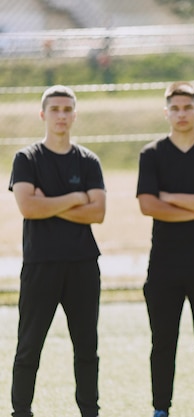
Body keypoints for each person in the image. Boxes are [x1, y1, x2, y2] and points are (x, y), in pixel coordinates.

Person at [9, 85, 106, 417]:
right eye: (55, 109)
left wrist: (47, 201)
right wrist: (75, 198)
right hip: (41, 264)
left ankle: (89, 410)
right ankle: (21, 411)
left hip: (82, 264)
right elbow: (28, 207)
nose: (61, 116)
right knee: (29, 346)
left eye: (67, 110)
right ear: (43, 114)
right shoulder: (26, 159)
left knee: (86, 348)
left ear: (74, 115)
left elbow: (98, 213)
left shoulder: (88, 161)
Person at [136, 81, 194, 417]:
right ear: (167, 112)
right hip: (164, 264)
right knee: (163, 343)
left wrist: (171, 196)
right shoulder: (151, 154)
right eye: (175, 108)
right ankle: (161, 409)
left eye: (187, 107)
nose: (181, 113)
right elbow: (148, 205)